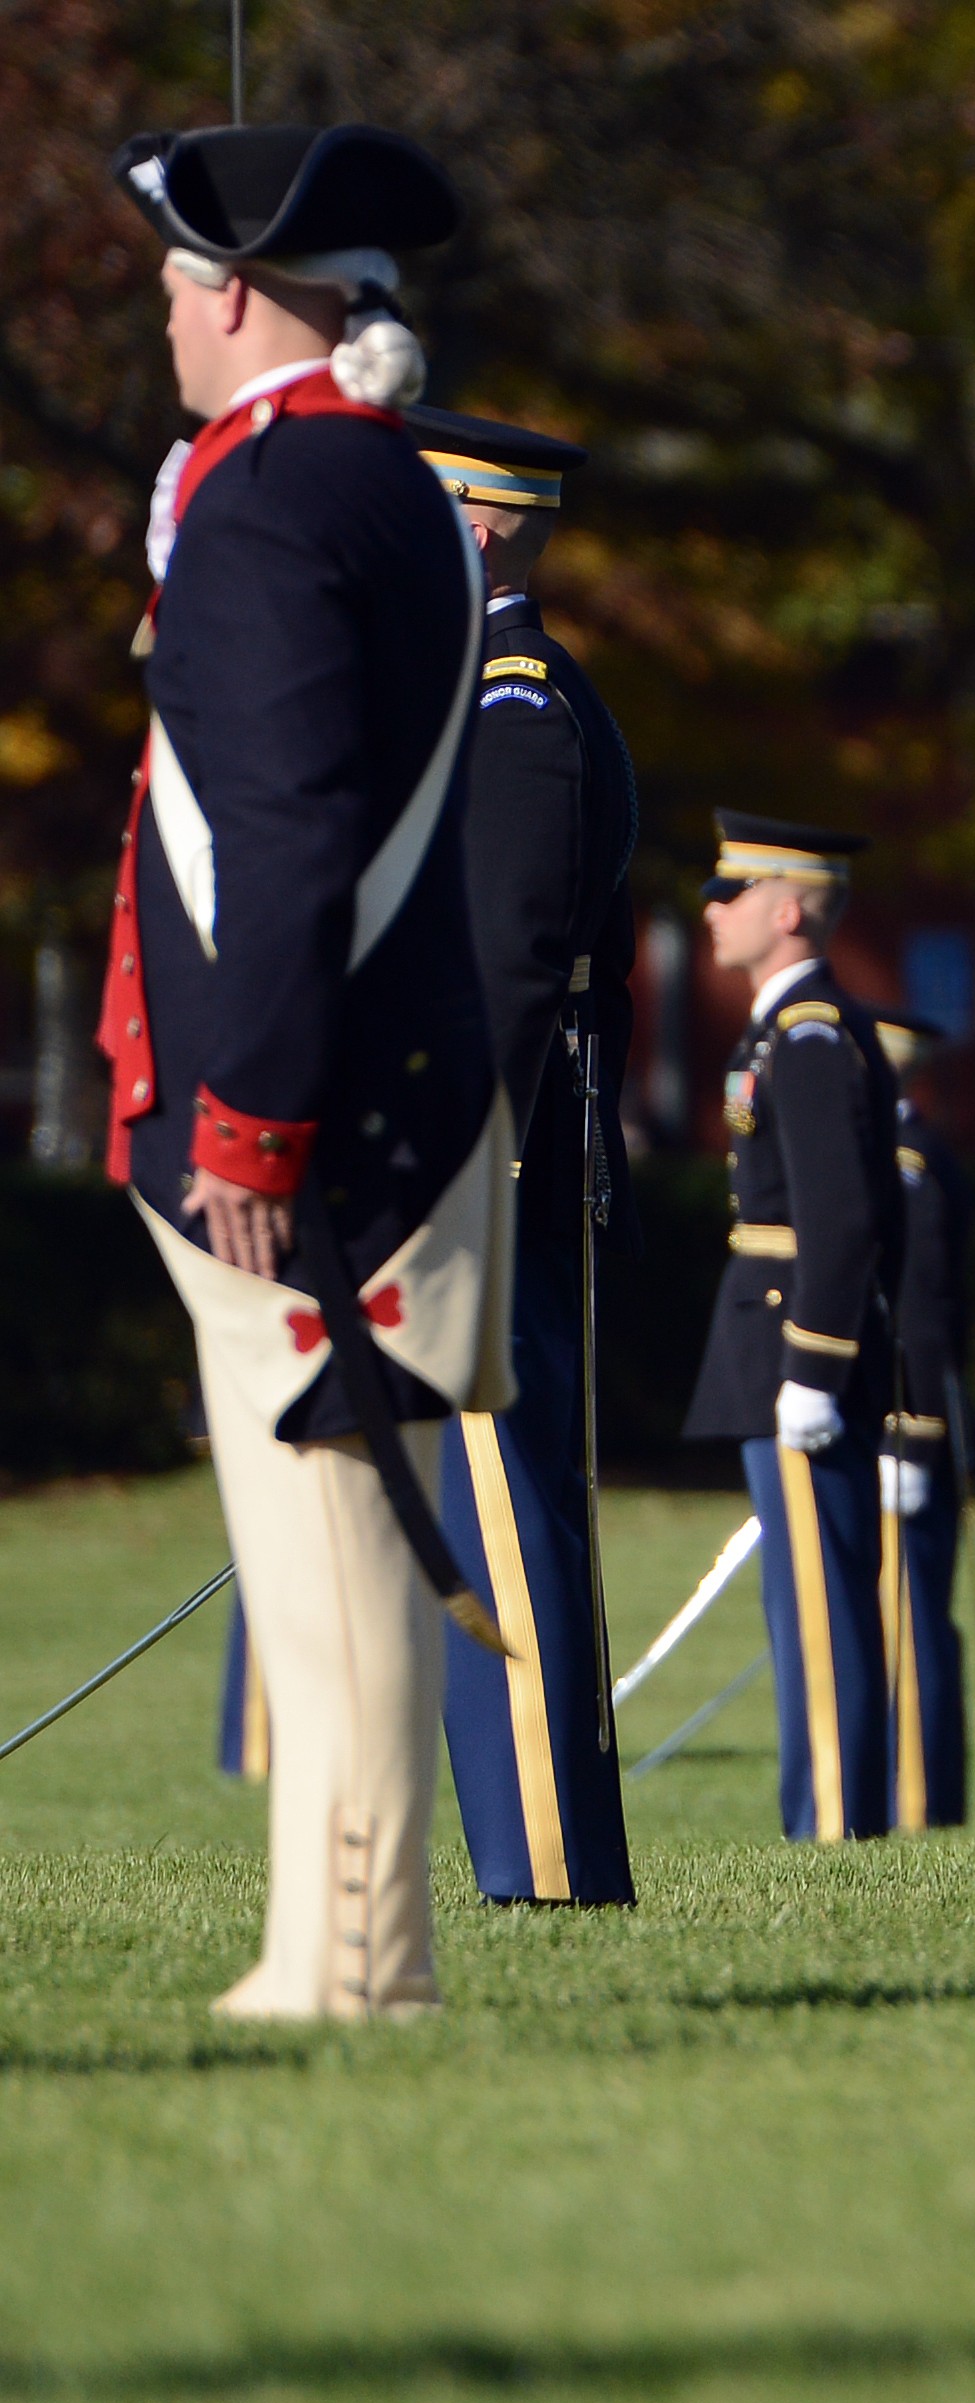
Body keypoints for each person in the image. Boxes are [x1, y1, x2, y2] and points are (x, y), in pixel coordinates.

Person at [104, 122, 508, 2018]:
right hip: (370, 1084)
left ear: (252, 292)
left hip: (318, 1117)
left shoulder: (276, 506)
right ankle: (318, 1948)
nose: (167, 317)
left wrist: (248, 1118)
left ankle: (357, 1965)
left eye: (184, 282)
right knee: (312, 1551)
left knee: (330, 1558)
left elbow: (279, 835)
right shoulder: (374, 486)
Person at [404, 403, 641, 1909]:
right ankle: (528, 1848)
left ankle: (547, 1857)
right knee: (489, 1490)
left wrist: (450, 1151)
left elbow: (504, 959)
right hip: (490, 1143)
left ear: (474, 528)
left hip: (494, 1145)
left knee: (506, 1495)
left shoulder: (512, 702)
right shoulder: (473, 692)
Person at [681, 816, 907, 1845]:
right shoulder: (784, 1027)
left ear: (784, 909)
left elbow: (841, 1215)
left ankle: (830, 1822)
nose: (709, 911)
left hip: (792, 1346)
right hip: (774, 1341)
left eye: (728, 892)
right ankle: (826, 1811)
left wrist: (813, 1366)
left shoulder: (809, 1034)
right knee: (807, 1592)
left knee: (817, 1598)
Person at [871, 1007, 973, 1832]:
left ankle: (919, 1801)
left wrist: (911, 1425)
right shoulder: (911, 1153)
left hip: (905, 1420)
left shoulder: (903, 1162)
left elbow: (921, 1308)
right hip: (906, 1413)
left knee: (909, 1617)